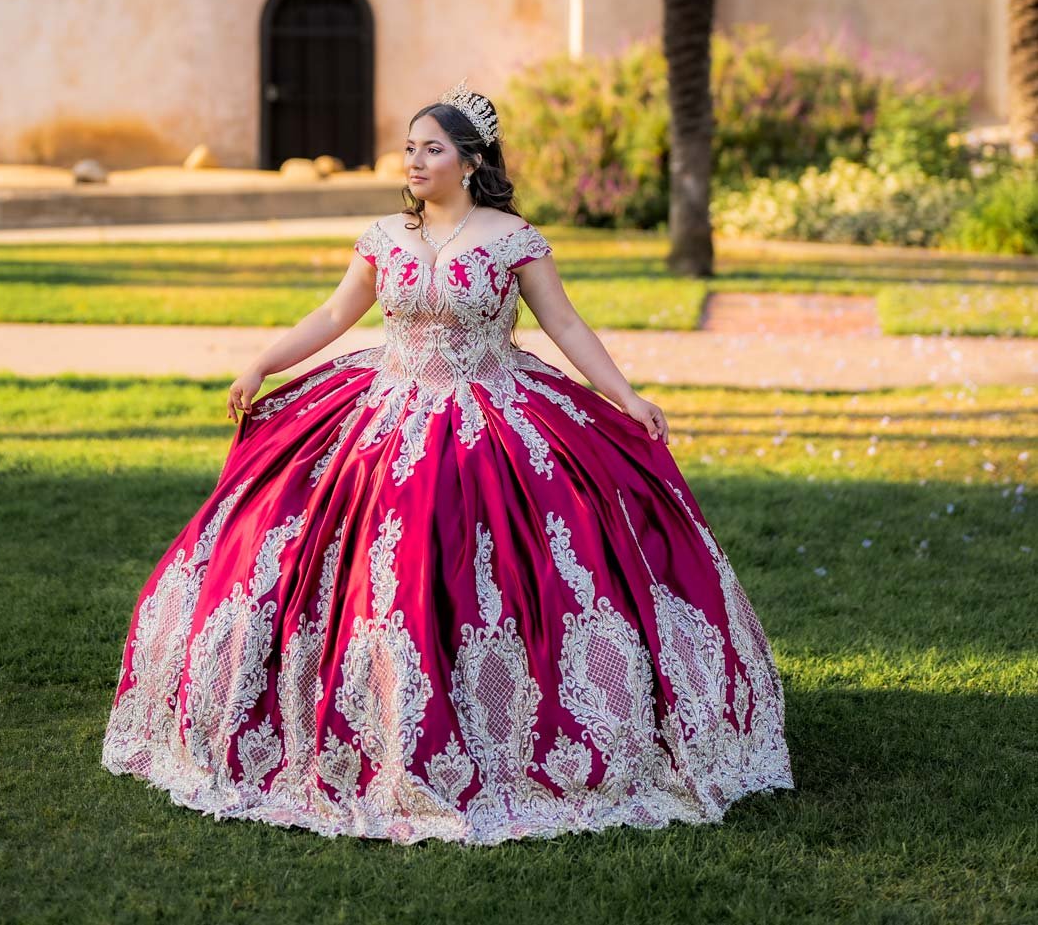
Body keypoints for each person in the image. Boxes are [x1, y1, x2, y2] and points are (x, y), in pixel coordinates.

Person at [102, 79, 794, 844]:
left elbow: (563, 322)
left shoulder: (511, 238)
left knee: (506, 565)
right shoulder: (382, 238)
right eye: (408, 147)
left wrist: (625, 395)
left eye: (431, 148)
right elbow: (336, 313)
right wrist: (259, 363)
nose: (414, 160)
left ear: (469, 161)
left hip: (493, 409)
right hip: (383, 404)